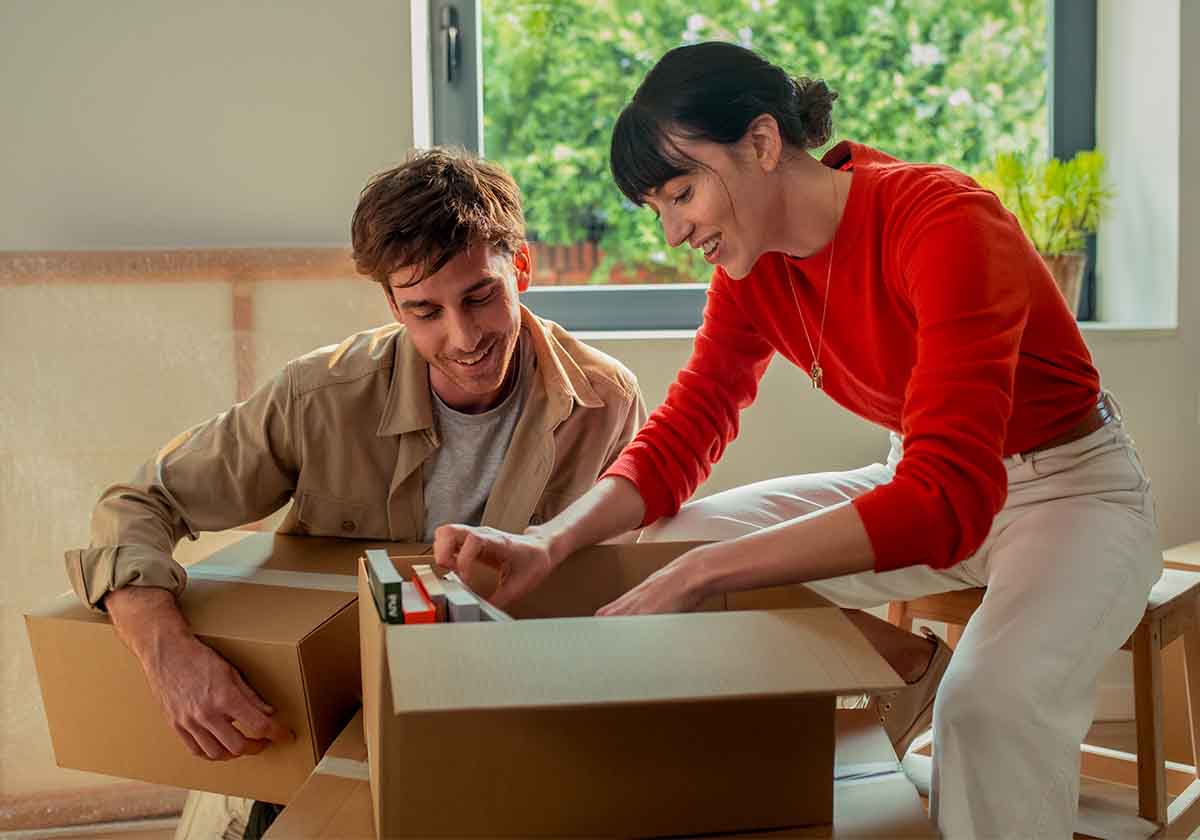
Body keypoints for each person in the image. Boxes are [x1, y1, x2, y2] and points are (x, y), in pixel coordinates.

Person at [433, 42, 1161, 839]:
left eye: (683, 192)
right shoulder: (752, 270)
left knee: (987, 709)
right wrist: (547, 541)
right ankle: (899, 681)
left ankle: (945, 731)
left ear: (764, 143)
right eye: (657, 209)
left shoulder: (942, 221)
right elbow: (687, 430)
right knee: (669, 543)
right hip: (919, 477)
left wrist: (707, 574)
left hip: (1070, 490)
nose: (675, 231)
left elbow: (950, 496)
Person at [65, 148, 646, 839]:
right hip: (320, 728)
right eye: (424, 311)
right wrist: (169, 654)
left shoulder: (603, 401)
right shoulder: (321, 398)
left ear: (518, 267)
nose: (462, 339)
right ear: (391, 302)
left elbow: (612, 594)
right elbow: (138, 503)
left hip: (505, 718)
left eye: (481, 297)